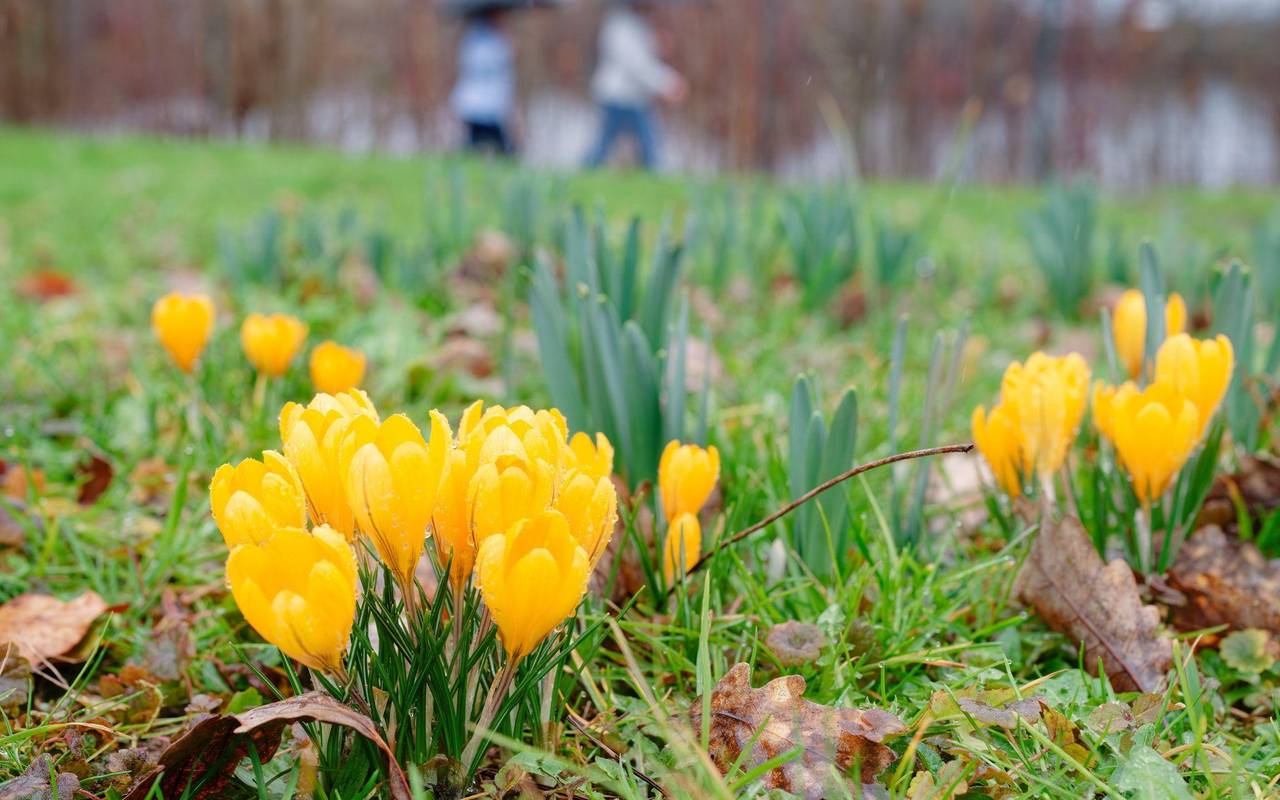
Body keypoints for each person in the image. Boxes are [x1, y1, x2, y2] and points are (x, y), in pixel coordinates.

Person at [585, 0, 687, 170]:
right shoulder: (620, 27)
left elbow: (645, 59)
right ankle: (652, 173)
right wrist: (669, 84)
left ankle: (589, 170)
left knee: (612, 141)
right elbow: (638, 66)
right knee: (644, 142)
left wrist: (660, 45)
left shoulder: (635, 25)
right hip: (619, 96)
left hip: (630, 97)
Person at [451, 7, 517, 156]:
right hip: (480, 105)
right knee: (499, 148)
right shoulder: (480, 40)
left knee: (481, 144)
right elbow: (484, 66)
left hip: (487, 104)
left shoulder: (491, 38)